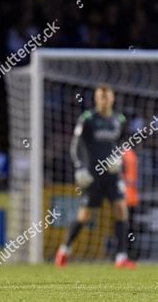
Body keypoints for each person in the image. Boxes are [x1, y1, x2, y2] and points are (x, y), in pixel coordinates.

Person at [55, 85, 136, 269]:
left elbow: (123, 142)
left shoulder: (119, 119)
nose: (104, 100)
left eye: (107, 97)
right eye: (100, 97)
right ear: (96, 99)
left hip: (112, 174)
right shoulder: (88, 119)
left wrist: (119, 156)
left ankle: (121, 257)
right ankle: (64, 249)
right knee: (85, 215)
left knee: (121, 209)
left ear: (113, 98)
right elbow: (76, 144)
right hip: (93, 175)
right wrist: (79, 167)